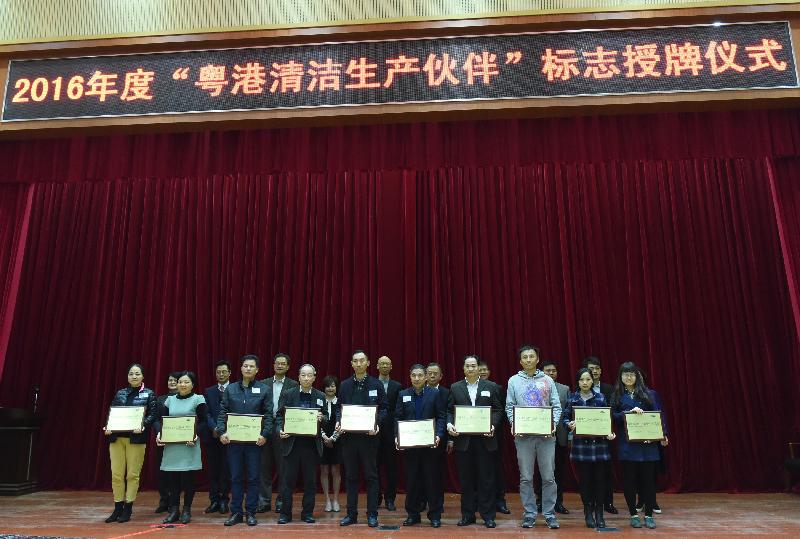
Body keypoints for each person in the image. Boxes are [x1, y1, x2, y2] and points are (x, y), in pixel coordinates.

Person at [506, 345, 563, 529]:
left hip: (546, 437)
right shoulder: (513, 381)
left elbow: (556, 405)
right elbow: (509, 406)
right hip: (523, 437)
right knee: (526, 477)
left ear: (537, 359)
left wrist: (552, 425)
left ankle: (549, 513)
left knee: (548, 477)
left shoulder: (547, 380)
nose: (529, 359)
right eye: (525, 357)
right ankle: (529, 513)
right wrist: (515, 424)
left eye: (532, 356)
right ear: (521, 361)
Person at [447, 354, 504, 529]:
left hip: (485, 440)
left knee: (486, 479)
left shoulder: (491, 387)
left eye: (474, 366)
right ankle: (468, 515)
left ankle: (488, 516)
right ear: (463, 369)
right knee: (466, 480)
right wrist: (450, 424)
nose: (471, 369)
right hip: (463, 441)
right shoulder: (455, 387)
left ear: (479, 368)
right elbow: (449, 410)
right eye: (468, 366)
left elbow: (498, 410)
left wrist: (492, 425)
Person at [216, 355, 274, 527]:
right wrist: (221, 432)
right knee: (236, 477)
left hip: (254, 443)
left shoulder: (264, 389)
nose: (248, 369)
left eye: (251, 366)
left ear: (257, 370)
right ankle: (236, 512)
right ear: (240, 369)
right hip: (234, 443)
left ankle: (250, 512)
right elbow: (222, 413)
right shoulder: (231, 389)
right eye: (245, 366)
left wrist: (265, 434)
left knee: (254, 478)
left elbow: (269, 415)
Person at [610, 362, 669, 530]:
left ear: (637, 376)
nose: (629, 377)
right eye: (625, 374)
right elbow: (611, 416)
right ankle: (634, 515)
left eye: (632, 374)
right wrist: (626, 414)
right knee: (629, 482)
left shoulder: (650, 394)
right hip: (627, 445)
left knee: (649, 482)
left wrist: (663, 434)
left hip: (648, 445)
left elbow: (659, 415)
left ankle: (649, 515)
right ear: (620, 377)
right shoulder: (617, 395)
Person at [335, 350, 388, 528]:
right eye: (355, 361)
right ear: (351, 364)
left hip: (369, 439)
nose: (358, 364)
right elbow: (338, 410)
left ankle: (372, 514)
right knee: (350, 477)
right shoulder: (344, 385)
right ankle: (351, 514)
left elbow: (384, 409)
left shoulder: (376, 384)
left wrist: (377, 424)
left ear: (368, 363)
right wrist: (338, 422)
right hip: (349, 439)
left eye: (362, 361)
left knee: (371, 477)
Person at [562, 368, 616, 529]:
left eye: (587, 379)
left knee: (600, 481)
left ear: (593, 381)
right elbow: (565, 418)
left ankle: (599, 513)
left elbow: (607, 419)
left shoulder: (600, 397)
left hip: (599, 447)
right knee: (585, 482)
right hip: (581, 448)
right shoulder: (573, 399)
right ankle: (588, 511)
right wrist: (568, 424)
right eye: (581, 380)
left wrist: (610, 432)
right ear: (577, 382)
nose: (584, 383)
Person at [103, 363, 157, 524]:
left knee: (132, 475)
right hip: (116, 439)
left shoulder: (149, 394)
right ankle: (117, 507)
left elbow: (153, 415)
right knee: (116, 475)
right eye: (131, 373)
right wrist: (108, 426)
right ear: (127, 377)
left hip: (136, 439)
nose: (134, 376)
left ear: (143, 376)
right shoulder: (120, 393)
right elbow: (112, 413)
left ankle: (128, 508)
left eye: (137, 373)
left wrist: (143, 425)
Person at [394, 364, 446, 528]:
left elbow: (441, 416)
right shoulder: (403, 394)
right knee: (412, 481)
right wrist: (397, 437)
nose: (416, 378)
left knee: (432, 481)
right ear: (410, 377)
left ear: (425, 378)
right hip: (411, 447)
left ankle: (435, 515)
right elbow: (397, 417)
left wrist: (438, 435)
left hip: (430, 447)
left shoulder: (435, 394)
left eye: (419, 375)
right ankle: (413, 514)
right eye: (413, 375)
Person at [276, 364, 327, 524]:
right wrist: (280, 430)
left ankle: (307, 513)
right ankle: (285, 514)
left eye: (309, 375)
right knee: (287, 481)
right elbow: (279, 416)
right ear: (298, 377)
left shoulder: (320, 395)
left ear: (314, 377)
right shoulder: (288, 394)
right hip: (292, 444)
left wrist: (322, 418)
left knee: (310, 482)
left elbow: (326, 416)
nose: (306, 378)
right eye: (303, 375)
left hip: (311, 446)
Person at [155, 371, 207, 524]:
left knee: (188, 480)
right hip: (172, 447)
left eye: (186, 382)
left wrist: (195, 435)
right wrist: (160, 435)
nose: (182, 385)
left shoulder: (198, 399)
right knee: (173, 481)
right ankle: (174, 510)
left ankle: (186, 510)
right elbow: (162, 422)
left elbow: (203, 422)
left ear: (192, 385)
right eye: (180, 382)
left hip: (189, 445)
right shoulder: (169, 400)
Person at [258, 353, 298, 513]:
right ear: (273, 365)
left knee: (284, 467)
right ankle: (264, 501)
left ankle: (282, 500)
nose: (279, 366)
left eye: (283, 364)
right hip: (265, 428)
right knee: (264, 466)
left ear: (288, 367)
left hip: (284, 429)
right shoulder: (262, 383)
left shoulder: (294, 385)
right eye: (277, 363)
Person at [583, 355, 618, 515]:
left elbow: (613, 412)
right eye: (591, 369)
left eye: (597, 368)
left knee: (606, 471)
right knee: (588, 473)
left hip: (606, 437)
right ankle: (589, 503)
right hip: (585, 438)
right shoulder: (579, 390)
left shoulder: (609, 389)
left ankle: (607, 502)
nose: (594, 371)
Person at [537, 360, 570, 515]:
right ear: (542, 372)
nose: (551, 373)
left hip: (559, 437)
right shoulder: (535, 388)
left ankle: (558, 502)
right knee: (541, 471)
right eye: (547, 371)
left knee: (559, 471)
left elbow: (569, 413)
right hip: (541, 436)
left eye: (554, 370)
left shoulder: (565, 389)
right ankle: (540, 501)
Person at [477, 360, 510, 515]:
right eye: (480, 369)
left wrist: (492, 425)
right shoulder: (470, 388)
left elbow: (502, 410)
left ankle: (499, 500)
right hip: (475, 436)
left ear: (489, 372)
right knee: (479, 471)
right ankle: (479, 501)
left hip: (494, 435)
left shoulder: (496, 388)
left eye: (485, 370)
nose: (482, 372)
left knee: (496, 469)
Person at [202, 360, 232, 515]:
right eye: (218, 372)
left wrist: (224, 430)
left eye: (224, 372)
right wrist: (214, 428)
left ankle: (224, 500)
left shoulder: (235, 389)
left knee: (225, 470)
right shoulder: (209, 391)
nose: (221, 375)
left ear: (229, 373)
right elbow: (206, 413)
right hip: (212, 436)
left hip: (229, 436)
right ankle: (213, 500)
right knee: (213, 470)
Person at [376, 355, 402, 511]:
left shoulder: (397, 386)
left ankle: (390, 498)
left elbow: (399, 410)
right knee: (374, 466)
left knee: (391, 467)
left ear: (391, 366)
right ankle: (376, 497)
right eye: (382, 363)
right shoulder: (372, 384)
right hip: (374, 429)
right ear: (377, 366)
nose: (385, 366)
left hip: (391, 431)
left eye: (388, 363)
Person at [153, 372, 179, 513]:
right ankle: (164, 501)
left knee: (175, 472)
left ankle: (174, 502)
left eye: (175, 380)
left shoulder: (184, 399)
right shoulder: (160, 399)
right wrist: (159, 432)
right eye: (169, 380)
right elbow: (156, 419)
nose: (172, 382)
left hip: (179, 440)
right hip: (163, 440)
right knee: (162, 471)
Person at [320, 375, 342, 512]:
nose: (330, 388)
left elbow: (343, 422)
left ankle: (336, 500)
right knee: (324, 470)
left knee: (335, 470)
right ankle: (327, 500)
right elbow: (315, 422)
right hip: (321, 440)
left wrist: (333, 438)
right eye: (328, 386)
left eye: (333, 385)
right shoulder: (319, 401)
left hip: (337, 441)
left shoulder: (340, 402)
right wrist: (324, 437)